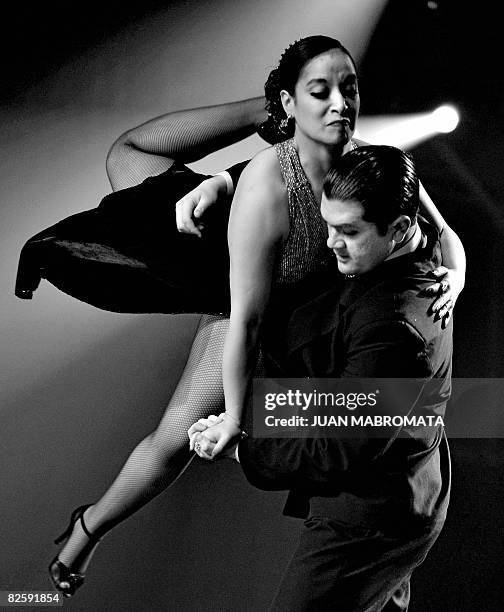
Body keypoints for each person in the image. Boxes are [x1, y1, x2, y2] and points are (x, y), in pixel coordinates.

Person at [44, 36, 464, 597]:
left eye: (350, 89)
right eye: (319, 92)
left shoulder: (370, 161)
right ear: (293, 104)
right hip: (239, 291)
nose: (341, 103)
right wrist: (236, 421)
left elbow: (440, 231)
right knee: (174, 439)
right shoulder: (267, 182)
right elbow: (244, 322)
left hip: (304, 317)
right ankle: (87, 530)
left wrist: (454, 274)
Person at [191, 145, 453, 611]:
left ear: (399, 228)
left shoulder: (396, 324)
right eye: (328, 224)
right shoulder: (418, 245)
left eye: (348, 231)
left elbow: (343, 444)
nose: (331, 242)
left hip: (375, 514)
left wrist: (241, 445)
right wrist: (224, 181)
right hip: (402, 473)